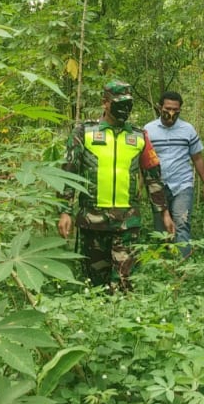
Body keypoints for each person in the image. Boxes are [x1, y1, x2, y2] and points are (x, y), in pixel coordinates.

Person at [58, 79, 175, 292]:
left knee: (123, 282)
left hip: (127, 222)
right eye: (119, 103)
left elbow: (153, 178)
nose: (125, 109)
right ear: (105, 102)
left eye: (128, 104)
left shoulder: (139, 136)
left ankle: (124, 319)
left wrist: (164, 213)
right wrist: (65, 211)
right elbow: (68, 173)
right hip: (92, 221)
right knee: (96, 285)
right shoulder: (84, 132)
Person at [144, 91, 204, 257]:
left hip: (183, 183)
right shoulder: (148, 130)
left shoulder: (187, 129)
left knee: (182, 223)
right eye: (168, 108)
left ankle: (183, 264)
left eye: (176, 109)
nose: (171, 112)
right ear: (160, 107)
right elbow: (144, 160)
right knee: (161, 228)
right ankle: (165, 266)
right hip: (157, 186)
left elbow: (197, 158)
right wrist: (140, 185)